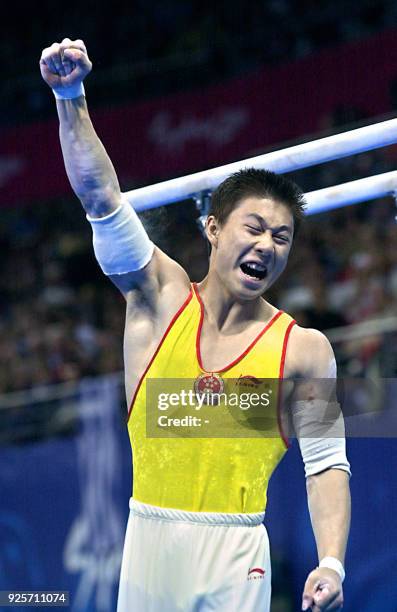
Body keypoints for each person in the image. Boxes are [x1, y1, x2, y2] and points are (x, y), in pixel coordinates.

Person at [40, 38, 351, 612]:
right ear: (213, 228)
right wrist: (69, 97)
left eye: (281, 237)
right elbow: (101, 199)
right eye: (253, 227)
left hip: (237, 552)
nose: (266, 245)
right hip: (149, 543)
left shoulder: (304, 351)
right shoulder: (158, 300)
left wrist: (330, 561)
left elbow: (327, 465)